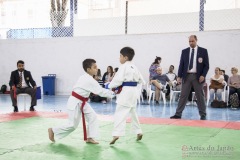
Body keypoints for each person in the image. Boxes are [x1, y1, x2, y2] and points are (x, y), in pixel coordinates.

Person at [48, 59, 115, 144]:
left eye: (96, 67)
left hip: (82, 102)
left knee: (92, 116)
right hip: (75, 102)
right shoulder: (89, 80)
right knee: (72, 125)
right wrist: (114, 94)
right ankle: (53, 130)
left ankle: (90, 137)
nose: (97, 69)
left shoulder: (86, 77)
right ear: (88, 69)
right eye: (94, 67)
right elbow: (100, 91)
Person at [107, 47, 145, 145]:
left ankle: (116, 134)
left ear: (125, 57)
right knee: (133, 112)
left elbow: (117, 80)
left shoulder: (123, 67)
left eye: (120, 56)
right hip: (134, 92)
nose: (119, 58)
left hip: (126, 92)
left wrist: (109, 85)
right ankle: (139, 131)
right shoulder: (134, 67)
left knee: (120, 112)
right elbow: (142, 80)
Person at [170, 35, 209, 120]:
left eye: (193, 41)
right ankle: (178, 114)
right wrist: (179, 76)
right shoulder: (184, 51)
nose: (191, 43)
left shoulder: (203, 51)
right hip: (186, 76)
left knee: (200, 95)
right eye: (189, 41)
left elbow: (206, 66)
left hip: (198, 77)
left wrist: (203, 75)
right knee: (183, 95)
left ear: (196, 40)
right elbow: (181, 65)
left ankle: (203, 114)